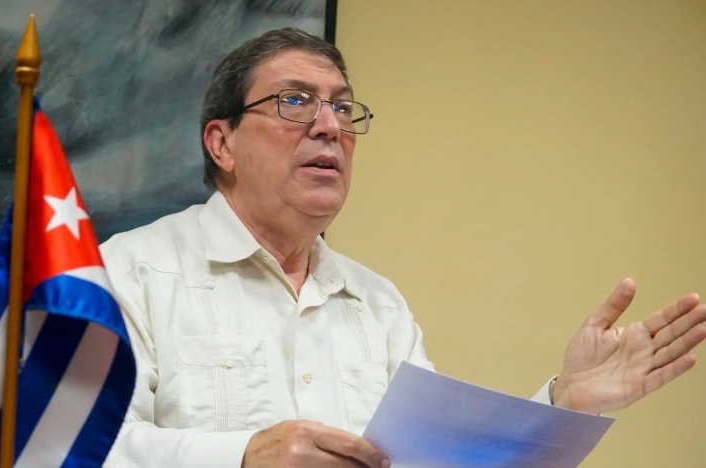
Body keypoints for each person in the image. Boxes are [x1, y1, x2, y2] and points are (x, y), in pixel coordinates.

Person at [100, 28, 706, 468]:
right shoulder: (126, 273)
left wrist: (563, 402)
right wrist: (243, 456)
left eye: (342, 107)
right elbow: (70, 448)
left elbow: (435, 460)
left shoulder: (377, 304)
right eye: (294, 101)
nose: (330, 126)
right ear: (222, 143)